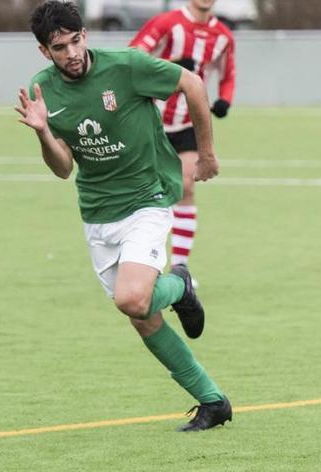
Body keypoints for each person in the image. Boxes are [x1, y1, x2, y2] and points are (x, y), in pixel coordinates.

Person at [15, 0, 232, 432]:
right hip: (97, 212)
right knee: (141, 316)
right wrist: (42, 131)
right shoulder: (43, 91)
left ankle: (180, 285)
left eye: (76, 41)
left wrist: (205, 153)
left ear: (86, 36)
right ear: (45, 52)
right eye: (60, 47)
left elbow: (192, 84)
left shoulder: (127, 67)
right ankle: (212, 400)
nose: (72, 53)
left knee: (132, 298)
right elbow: (63, 168)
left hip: (147, 198)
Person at [130, 0, 236, 274]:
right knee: (144, 193)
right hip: (150, 120)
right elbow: (133, 57)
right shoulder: (166, 23)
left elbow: (228, 75)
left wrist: (225, 99)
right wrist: (172, 64)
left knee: (187, 187)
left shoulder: (223, 36)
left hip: (189, 122)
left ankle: (180, 265)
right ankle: (142, 261)